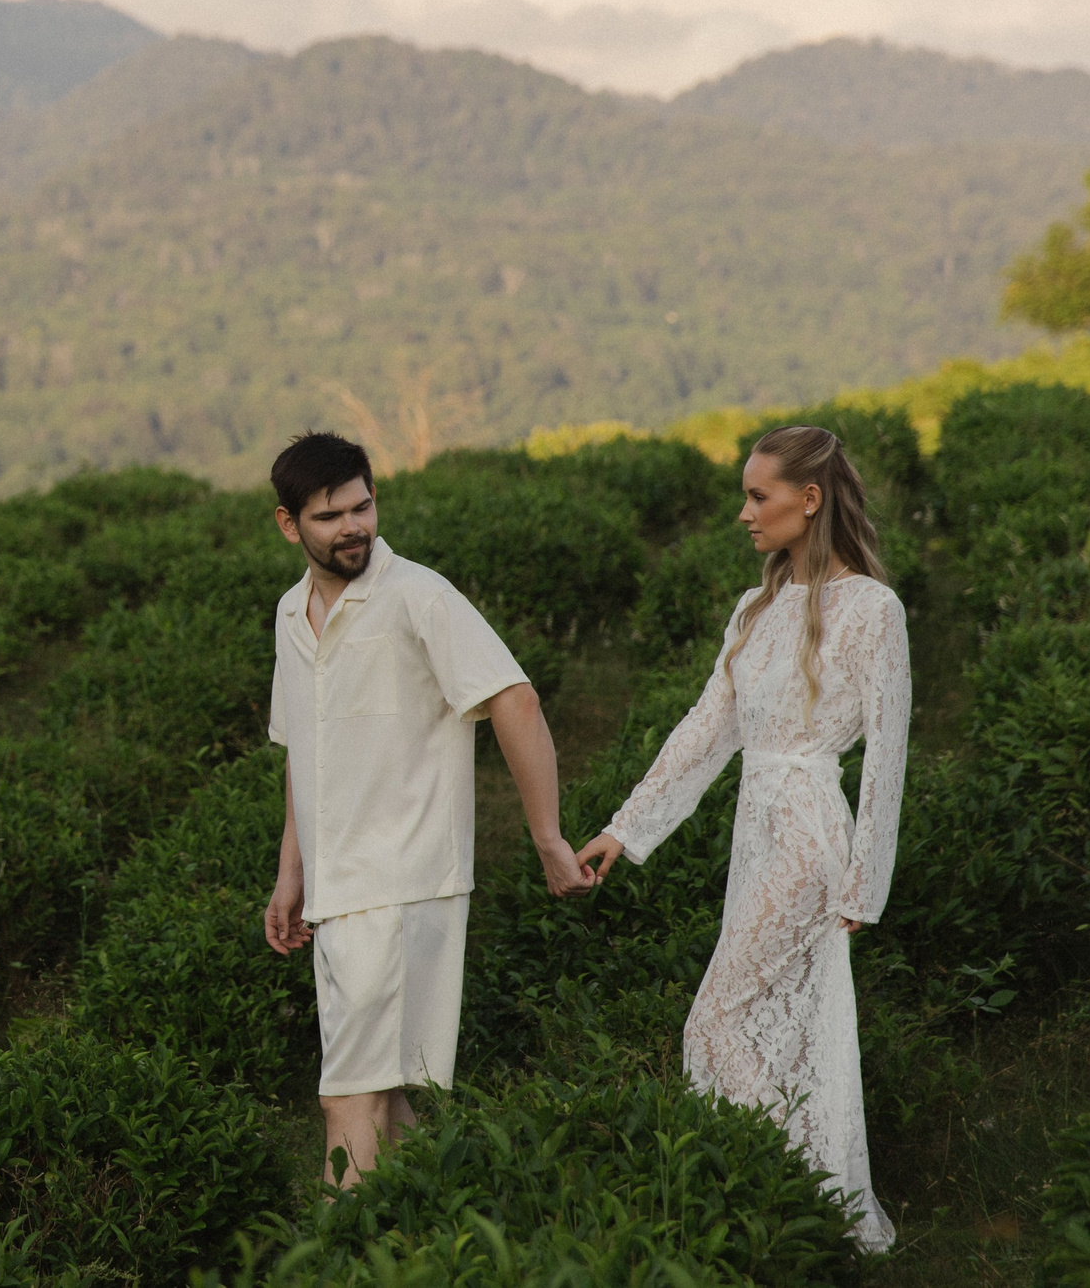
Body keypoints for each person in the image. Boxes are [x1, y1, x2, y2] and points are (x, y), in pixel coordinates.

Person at [574, 425, 909, 1253]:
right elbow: (706, 729)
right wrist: (627, 824)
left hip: (807, 835)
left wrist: (866, 880)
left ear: (811, 498)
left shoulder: (873, 608)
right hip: (754, 834)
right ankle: (798, 1203)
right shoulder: (754, 608)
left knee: (714, 1024)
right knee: (781, 1026)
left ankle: (781, 1191)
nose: (743, 513)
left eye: (759, 496)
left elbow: (888, 755)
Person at [261, 431, 593, 1187]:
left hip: (403, 881)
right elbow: (304, 752)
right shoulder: (289, 614)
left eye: (363, 505)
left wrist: (547, 836)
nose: (353, 526)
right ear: (289, 524)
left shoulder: (418, 594)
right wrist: (292, 873)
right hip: (341, 890)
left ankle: (341, 1258)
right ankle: (416, 1245)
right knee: (392, 1098)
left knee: (346, 1095)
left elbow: (515, 696)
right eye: (329, 515)